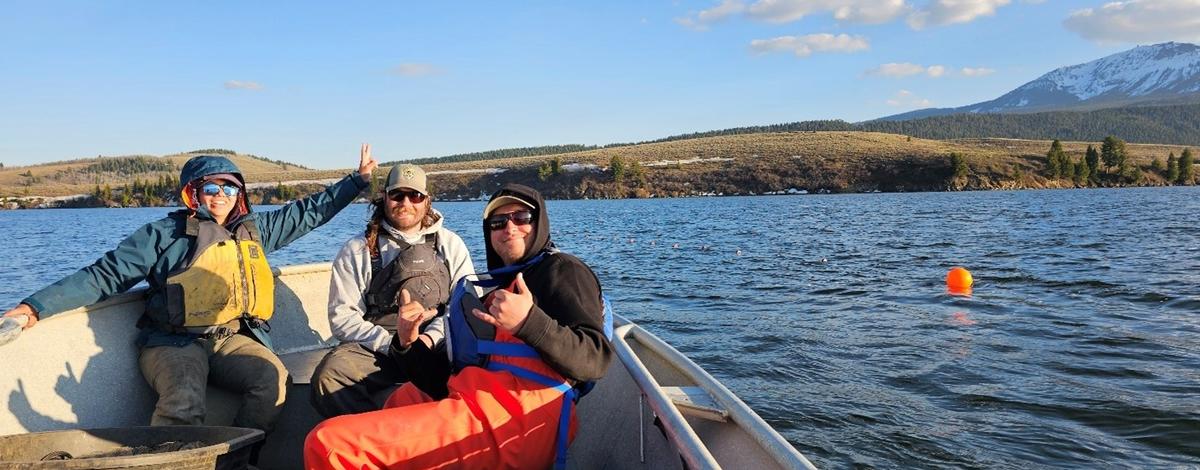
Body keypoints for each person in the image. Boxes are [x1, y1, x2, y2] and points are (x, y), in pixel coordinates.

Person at [0, 145, 377, 438]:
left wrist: (357, 181)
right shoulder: (161, 235)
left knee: (272, 382)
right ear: (192, 194)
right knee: (183, 400)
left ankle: (238, 456)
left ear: (239, 193)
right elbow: (103, 276)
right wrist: (34, 307)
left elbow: (310, 212)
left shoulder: (256, 231)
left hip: (232, 339)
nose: (220, 195)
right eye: (210, 188)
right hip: (172, 343)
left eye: (229, 187)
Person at [304, 183, 613, 470]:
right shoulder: (496, 289)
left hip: (517, 422)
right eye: (498, 223)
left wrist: (528, 322)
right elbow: (444, 379)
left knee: (329, 444)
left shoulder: (562, 271)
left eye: (522, 217)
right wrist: (408, 342)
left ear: (540, 221)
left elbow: (595, 359)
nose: (509, 228)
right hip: (474, 397)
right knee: (395, 403)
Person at [309, 163, 474, 418]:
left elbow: (464, 304)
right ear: (384, 198)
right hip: (380, 347)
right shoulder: (357, 249)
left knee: (477, 368)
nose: (405, 202)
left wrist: (427, 340)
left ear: (427, 201)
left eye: (415, 195)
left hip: (436, 343)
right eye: (397, 195)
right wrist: (395, 346)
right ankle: (373, 444)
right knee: (329, 376)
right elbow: (343, 317)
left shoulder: (450, 244)